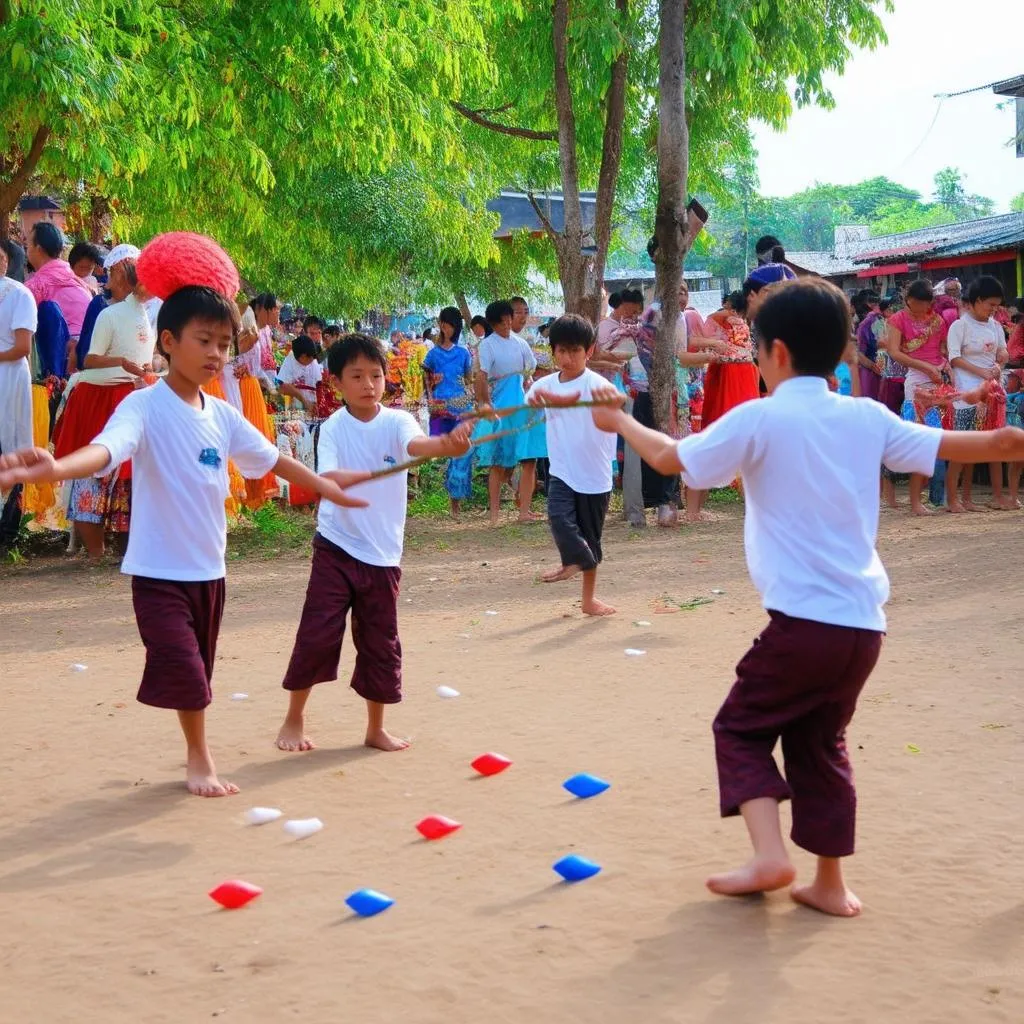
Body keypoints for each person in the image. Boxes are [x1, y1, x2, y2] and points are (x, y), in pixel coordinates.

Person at [586, 276, 1024, 917]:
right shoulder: (868, 417)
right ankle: (829, 882)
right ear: (844, 350)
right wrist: (1008, 433)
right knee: (820, 745)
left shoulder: (759, 417)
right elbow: (999, 443)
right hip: (863, 630)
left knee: (739, 729)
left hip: (804, 628)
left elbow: (673, 461)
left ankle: (769, 856)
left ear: (777, 353)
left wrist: (620, 418)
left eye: (756, 351)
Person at [0, 233, 368, 797]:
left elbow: (272, 461)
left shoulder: (221, 415)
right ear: (168, 341)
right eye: (205, 340)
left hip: (210, 574)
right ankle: (200, 757)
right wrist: (49, 469)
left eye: (224, 342)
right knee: (187, 672)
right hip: (156, 573)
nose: (218, 353)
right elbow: (105, 451)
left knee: (201, 669)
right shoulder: (142, 404)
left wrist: (325, 486)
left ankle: (195, 748)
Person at [274, 333, 473, 754]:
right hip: (336, 546)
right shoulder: (331, 428)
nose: (369, 384)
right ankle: (293, 719)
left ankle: (375, 729)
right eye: (357, 376)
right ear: (335, 383)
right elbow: (327, 478)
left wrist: (447, 443)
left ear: (387, 380)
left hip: (383, 555)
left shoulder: (398, 421)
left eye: (376, 375)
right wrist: (351, 478)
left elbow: (420, 446)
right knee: (317, 634)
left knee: (381, 643)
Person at [52, 249, 156, 558]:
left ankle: (123, 549)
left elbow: (142, 358)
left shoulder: (140, 314)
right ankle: (97, 553)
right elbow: (90, 359)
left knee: (127, 475)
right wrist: (123, 362)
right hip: (100, 398)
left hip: (130, 396)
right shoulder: (109, 314)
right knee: (95, 471)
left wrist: (147, 367)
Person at [526, 314, 617, 616]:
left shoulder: (599, 386)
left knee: (590, 539)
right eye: (561, 351)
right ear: (552, 351)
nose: (567, 358)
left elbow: (613, 414)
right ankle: (574, 560)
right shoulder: (545, 385)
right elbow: (531, 403)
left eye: (575, 351)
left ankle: (589, 599)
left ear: (589, 351)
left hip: (595, 476)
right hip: (562, 471)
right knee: (558, 517)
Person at [883, 279, 949, 516]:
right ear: (909, 300)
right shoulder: (898, 319)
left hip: (937, 383)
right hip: (916, 383)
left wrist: (942, 365)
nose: (923, 307)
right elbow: (893, 351)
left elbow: (941, 352)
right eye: (919, 303)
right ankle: (906, 497)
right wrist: (924, 366)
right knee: (919, 441)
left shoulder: (937, 320)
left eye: (927, 303)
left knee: (936, 440)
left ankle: (935, 498)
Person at [474, 300, 543, 525]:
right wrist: (485, 404)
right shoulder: (487, 345)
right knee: (499, 462)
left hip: (523, 407)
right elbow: (481, 376)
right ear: (493, 324)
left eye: (508, 320)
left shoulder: (521, 343)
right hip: (501, 408)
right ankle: (494, 514)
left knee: (529, 460)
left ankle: (524, 510)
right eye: (501, 322)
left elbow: (530, 369)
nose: (506, 325)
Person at [946, 275, 1010, 512]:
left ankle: (986, 497)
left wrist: (999, 364)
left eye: (996, 306)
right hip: (967, 392)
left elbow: (1003, 353)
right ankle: (954, 499)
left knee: (992, 445)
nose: (994, 310)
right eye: (990, 305)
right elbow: (954, 358)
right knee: (964, 446)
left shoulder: (995, 326)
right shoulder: (959, 325)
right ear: (977, 300)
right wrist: (981, 372)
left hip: (992, 391)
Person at [0, 239, 37, 541]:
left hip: (9, 377)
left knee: (10, 447)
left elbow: (21, 347)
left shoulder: (19, 295)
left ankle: (8, 528)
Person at [422, 306, 474, 518]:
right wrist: (430, 398)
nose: (446, 327)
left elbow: (468, 380)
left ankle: (456, 502)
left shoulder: (463, 353)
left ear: (456, 327)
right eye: (443, 323)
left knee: (463, 452)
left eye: (450, 323)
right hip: (441, 407)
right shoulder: (432, 354)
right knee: (447, 451)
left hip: (462, 406)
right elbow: (426, 379)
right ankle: (449, 493)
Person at [24, 222, 92, 346]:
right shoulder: (78, 282)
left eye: (28, 247)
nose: (26, 252)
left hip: (61, 353)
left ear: (38, 249)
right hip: (89, 347)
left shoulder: (35, 286)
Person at [276, 334, 322, 414]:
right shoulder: (290, 360)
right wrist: (304, 400)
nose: (313, 360)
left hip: (316, 407)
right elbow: (281, 386)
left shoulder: (313, 359)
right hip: (297, 410)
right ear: (303, 357)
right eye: (311, 358)